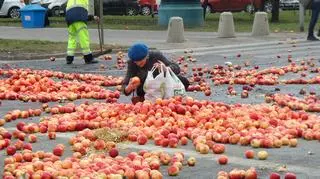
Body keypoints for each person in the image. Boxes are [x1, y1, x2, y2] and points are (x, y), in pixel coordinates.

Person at [123, 43, 190, 103]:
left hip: (163, 84)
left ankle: (176, 99)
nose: (138, 63)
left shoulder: (156, 56)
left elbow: (176, 68)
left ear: (146, 56)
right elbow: (126, 82)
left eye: (140, 60)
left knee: (183, 80)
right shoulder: (131, 63)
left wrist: (166, 68)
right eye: (135, 61)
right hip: (147, 89)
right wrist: (128, 88)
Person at [65, 0, 99, 64]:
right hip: (79, 18)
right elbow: (82, 13)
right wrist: (92, 17)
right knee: (83, 37)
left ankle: (69, 58)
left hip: (69, 18)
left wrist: (93, 17)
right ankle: (88, 58)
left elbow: (76, 11)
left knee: (72, 38)